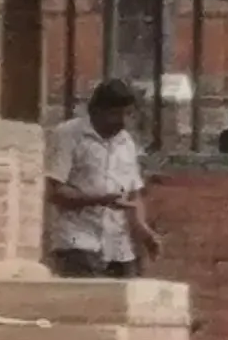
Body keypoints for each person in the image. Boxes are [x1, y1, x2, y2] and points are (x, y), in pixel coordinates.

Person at [45, 80, 152, 279]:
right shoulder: (69, 135)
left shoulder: (125, 141)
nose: (121, 121)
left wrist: (142, 230)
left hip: (119, 247)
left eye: (127, 114)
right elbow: (55, 191)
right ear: (95, 111)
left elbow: (134, 194)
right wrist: (99, 200)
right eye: (114, 114)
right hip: (78, 242)